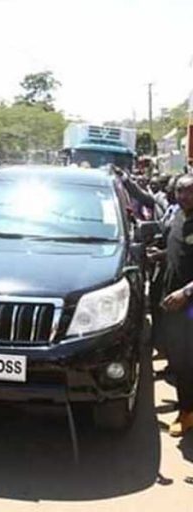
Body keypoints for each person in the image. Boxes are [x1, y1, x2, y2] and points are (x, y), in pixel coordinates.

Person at [148, 175, 193, 437]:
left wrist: (186, 292)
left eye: (189, 192)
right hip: (174, 303)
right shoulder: (178, 217)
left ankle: (187, 413)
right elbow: (177, 251)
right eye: (180, 191)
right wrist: (159, 255)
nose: (184, 196)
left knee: (187, 359)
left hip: (188, 304)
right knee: (178, 358)